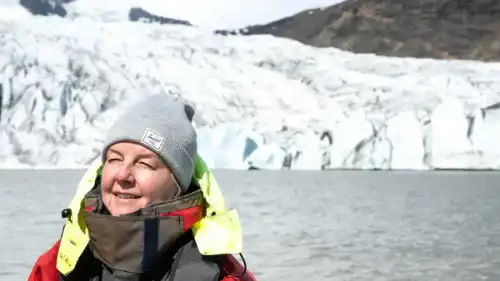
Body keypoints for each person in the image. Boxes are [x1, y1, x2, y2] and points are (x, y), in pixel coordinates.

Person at [28, 94, 256, 281]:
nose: (123, 175)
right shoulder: (55, 268)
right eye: (115, 159)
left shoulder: (227, 277)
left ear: (178, 184)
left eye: (144, 163)